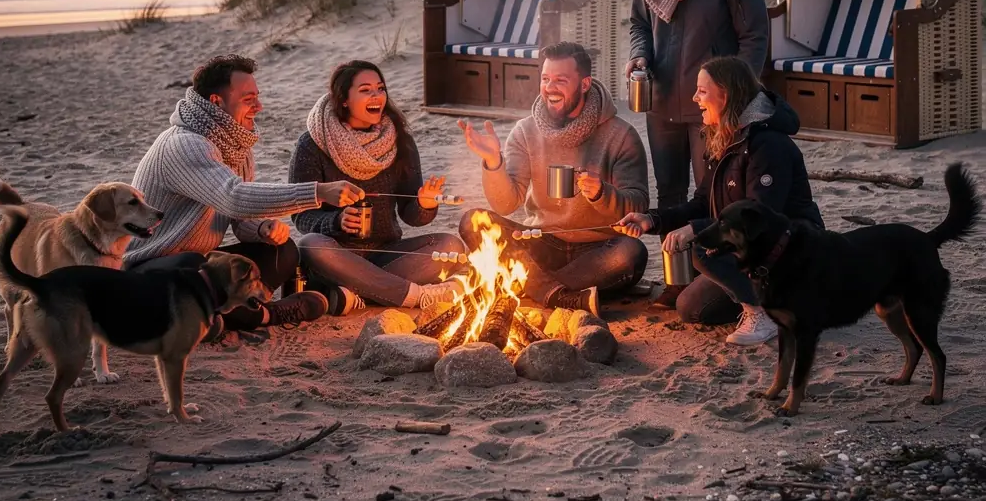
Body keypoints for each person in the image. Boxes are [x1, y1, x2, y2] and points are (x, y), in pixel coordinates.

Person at [125, 54, 363, 336]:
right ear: (216, 102)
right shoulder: (184, 144)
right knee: (194, 267)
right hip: (148, 270)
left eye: (257, 97)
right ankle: (262, 315)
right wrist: (318, 192)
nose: (259, 106)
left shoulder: (236, 146)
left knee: (282, 251)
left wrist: (261, 228)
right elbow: (233, 197)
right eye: (249, 99)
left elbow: (238, 218)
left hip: (199, 262)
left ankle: (212, 319)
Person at [616, 56, 824, 345]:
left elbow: (760, 215)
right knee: (691, 308)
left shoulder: (767, 145)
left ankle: (764, 311)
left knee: (702, 245)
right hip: (748, 250)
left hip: (788, 249)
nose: (694, 98)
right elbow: (701, 201)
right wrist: (652, 219)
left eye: (702, 91)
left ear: (725, 95)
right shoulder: (724, 137)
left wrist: (696, 230)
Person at [458, 41, 649, 315]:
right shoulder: (525, 131)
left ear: (585, 84)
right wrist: (493, 162)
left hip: (597, 250)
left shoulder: (621, 135)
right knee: (473, 221)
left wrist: (600, 193)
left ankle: (532, 286)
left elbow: (639, 204)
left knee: (631, 253)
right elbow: (505, 204)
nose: (550, 87)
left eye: (560, 80)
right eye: (545, 79)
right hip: (541, 243)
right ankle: (559, 295)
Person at [626, 0, 769, 215]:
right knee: (670, 197)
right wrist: (639, 54)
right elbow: (639, 24)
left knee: (716, 199)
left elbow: (755, 37)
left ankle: (712, 269)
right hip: (660, 104)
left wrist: (734, 94)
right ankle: (676, 268)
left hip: (712, 110)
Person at [290, 60, 467, 314]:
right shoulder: (313, 144)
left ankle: (356, 294)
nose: (376, 96)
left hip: (387, 252)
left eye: (380, 88)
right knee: (310, 245)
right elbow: (301, 215)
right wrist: (336, 221)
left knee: (450, 246)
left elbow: (411, 215)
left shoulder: (399, 140)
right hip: (337, 257)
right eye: (365, 90)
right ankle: (415, 296)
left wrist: (424, 205)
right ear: (343, 99)